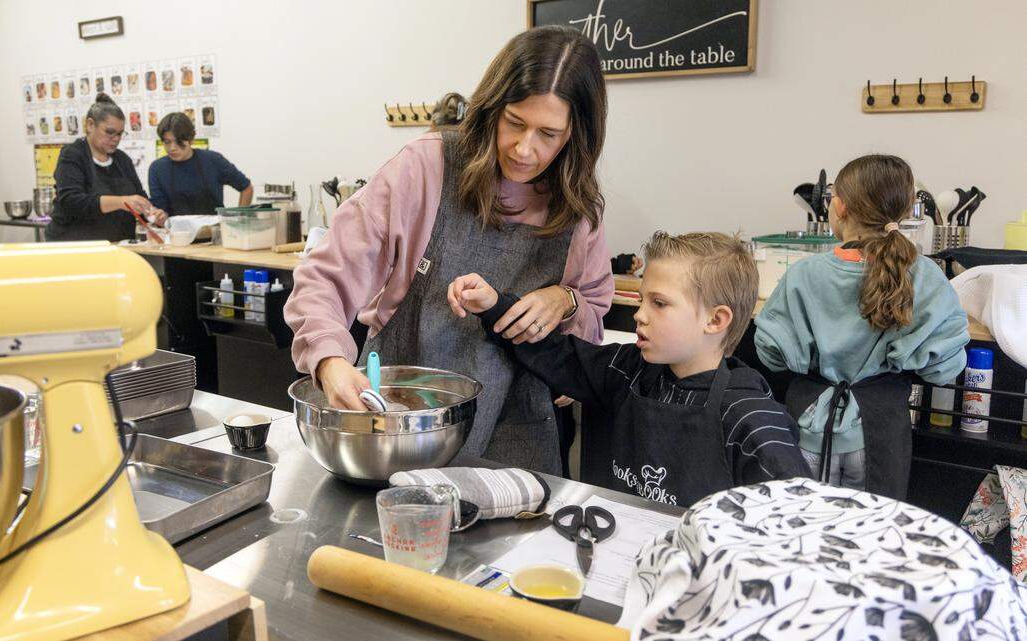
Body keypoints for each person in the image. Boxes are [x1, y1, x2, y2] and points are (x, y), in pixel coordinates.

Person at [284, 26, 614, 475]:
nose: (524, 148)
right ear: (492, 107)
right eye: (514, 122)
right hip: (400, 418)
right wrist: (329, 361)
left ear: (577, 135)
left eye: (548, 135)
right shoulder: (426, 168)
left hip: (515, 431)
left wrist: (566, 300)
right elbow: (324, 275)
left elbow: (592, 311)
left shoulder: (577, 208)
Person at [448, 232, 811, 507]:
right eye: (641, 300)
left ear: (716, 320)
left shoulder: (751, 418)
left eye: (660, 304)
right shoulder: (625, 371)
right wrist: (495, 306)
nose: (639, 314)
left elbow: (795, 512)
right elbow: (555, 352)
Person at [755, 154, 969, 499]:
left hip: (809, 429)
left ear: (838, 207)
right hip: (880, 435)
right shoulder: (925, 275)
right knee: (871, 539)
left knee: (801, 534)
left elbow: (772, 353)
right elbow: (945, 367)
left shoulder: (804, 275)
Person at [47, 93, 165, 242]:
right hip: (76, 245)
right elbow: (72, 202)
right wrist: (122, 202)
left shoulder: (122, 160)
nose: (115, 139)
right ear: (90, 125)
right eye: (109, 132)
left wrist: (152, 214)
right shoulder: (73, 155)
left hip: (118, 245)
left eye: (120, 134)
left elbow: (139, 199)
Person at [147, 112, 253, 216]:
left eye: (179, 142)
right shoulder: (157, 169)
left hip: (214, 230)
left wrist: (241, 218)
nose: (172, 148)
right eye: (167, 142)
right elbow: (161, 210)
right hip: (177, 232)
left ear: (191, 139)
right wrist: (159, 215)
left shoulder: (213, 160)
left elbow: (246, 188)